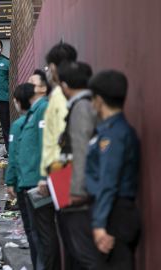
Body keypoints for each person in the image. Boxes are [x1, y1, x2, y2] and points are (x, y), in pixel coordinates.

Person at [86, 70, 140, 270]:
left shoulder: (113, 135)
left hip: (115, 216)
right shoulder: (110, 131)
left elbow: (108, 182)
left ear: (99, 100)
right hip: (112, 211)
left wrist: (100, 225)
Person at [55, 62, 99, 270]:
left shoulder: (81, 107)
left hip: (77, 196)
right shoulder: (85, 104)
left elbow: (81, 149)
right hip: (71, 188)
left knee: (82, 254)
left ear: (64, 86)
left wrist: (76, 191)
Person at [16, 71, 52, 270]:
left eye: (33, 82)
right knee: (33, 231)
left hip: (38, 182)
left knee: (41, 232)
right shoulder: (32, 113)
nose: (28, 85)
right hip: (28, 181)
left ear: (43, 87)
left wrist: (43, 177)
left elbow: (44, 145)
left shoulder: (43, 109)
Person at [5, 83, 38, 269]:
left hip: (24, 183)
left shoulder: (18, 125)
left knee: (31, 228)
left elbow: (14, 155)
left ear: (17, 102)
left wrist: (10, 181)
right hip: (40, 182)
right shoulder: (39, 120)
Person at [39, 43, 77, 179]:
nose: (47, 71)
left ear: (53, 67)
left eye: (48, 67)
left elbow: (61, 134)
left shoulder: (60, 95)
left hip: (58, 170)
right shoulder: (70, 92)